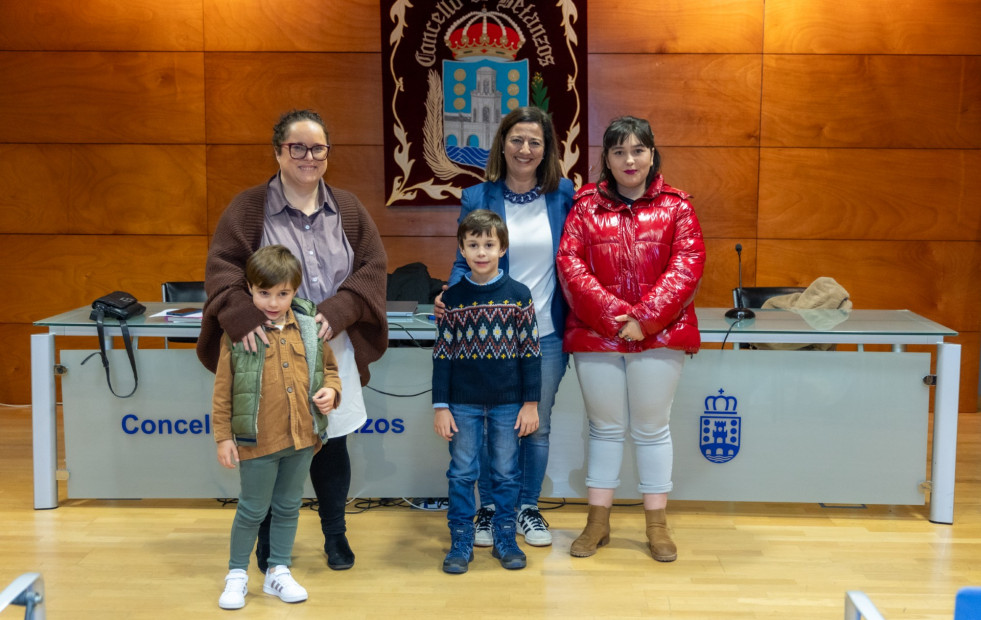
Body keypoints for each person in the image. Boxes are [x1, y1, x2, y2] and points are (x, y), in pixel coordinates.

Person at [197, 109, 388, 574]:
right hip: (265, 348)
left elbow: (373, 266)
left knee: (331, 442)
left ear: (328, 153)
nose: (308, 156)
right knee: (269, 446)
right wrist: (242, 315)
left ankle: (335, 534)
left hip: (328, 344)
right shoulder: (248, 208)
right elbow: (222, 269)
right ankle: (265, 539)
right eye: (296, 147)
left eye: (317, 148)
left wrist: (340, 310)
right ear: (278, 151)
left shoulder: (346, 207)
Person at [556, 116, 705, 562]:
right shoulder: (584, 207)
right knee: (604, 429)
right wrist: (613, 316)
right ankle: (596, 524)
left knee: (651, 429)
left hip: (659, 336)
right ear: (608, 159)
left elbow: (688, 266)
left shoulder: (678, 207)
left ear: (652, 154)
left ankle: (656, 526)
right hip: (596, 333)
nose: (629, 160)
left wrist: (644, 319)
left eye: (638, 150)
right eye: (619, 151)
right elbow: (570, 264)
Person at [437, 106, 574, 548]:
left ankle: (526, 508)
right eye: (517, 140)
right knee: (482, 423)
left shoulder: (564, 194)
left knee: (534, 423)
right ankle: (490, 510)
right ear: (502, 144)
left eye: (535, 141)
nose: (525, 149)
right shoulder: (478, 197)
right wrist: (451, 295)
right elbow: (465, 260)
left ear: (546, 149)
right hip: (487, 335)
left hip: (545, 333)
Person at [213, 245, 342, 609]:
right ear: (250, 290)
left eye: (282, 293)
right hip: (258, 441)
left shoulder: (309, 326)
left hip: (302, 437)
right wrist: (224, 437)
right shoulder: (239, 333)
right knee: (253, 509)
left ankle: (277, 572)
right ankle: (237, 574)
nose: (273, 301)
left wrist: (332, 391)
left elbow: (330, 370)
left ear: (295, 291)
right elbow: (223, 390)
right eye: (263, 292)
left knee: (287, 506)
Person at [432, 209, 542, 574]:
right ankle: (461, 538)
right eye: (473, 244)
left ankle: (505, 537)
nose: (481, 252)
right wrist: (441, 406)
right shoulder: (452, 299)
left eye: (489, 244)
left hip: (509, 404)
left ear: (502, 248)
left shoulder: (518, 296)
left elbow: (531, 353)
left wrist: (530, 403)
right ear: (462, 249)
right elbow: (442, 356)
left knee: (507, 473)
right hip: (461, 403)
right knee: (462, 471)